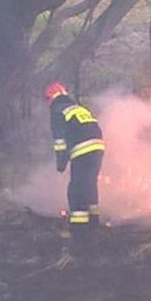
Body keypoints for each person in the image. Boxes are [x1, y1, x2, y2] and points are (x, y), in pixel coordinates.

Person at [46, 81, 104, 253]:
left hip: (82, 149)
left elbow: (59, 140)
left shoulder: (57, 110)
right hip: (98, 148)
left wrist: (61, 162)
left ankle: (79, 231)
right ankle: (94, 221)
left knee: (76, 187)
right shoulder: (78, 108)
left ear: (51, 98)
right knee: (89, 184)